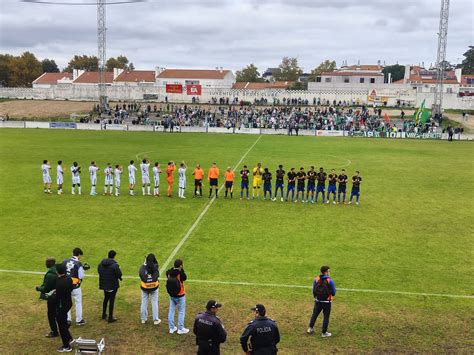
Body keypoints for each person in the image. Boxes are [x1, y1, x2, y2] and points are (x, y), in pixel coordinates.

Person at [307, 265, 336, 337]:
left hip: (318, 301)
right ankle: (324, 332)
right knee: (326, 317)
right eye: (329, 271)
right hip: (327, 302)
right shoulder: (330, 280)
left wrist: (316, 297)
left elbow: (314, 290)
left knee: (314, 315)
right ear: (326, 272)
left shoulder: (316, 279)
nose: (329, 272)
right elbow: (334, 292)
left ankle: (310, 328)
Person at [35, 257, 58, 338]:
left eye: (46, 262)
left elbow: (46, 288)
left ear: (49, 264)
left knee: (51, 315)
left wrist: (38, 288)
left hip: (52, 298)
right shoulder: (58, 270)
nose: (45, 264)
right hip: (59, 296)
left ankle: (54, 331)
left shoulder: (50, 275)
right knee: (58, 314)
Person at [53, 263, 74, 352]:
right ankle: (69, 338)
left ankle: (66, 346)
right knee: (64, 322)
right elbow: (71, 288)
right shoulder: (69, 278)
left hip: (62, 306)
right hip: (68, 303)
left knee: (61, 326)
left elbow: (57, 297)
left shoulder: (59, 282)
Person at [63, 248, 86, 326]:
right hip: (75, 287)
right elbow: (81, 276)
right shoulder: (78, 264)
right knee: (78, 302)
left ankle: (67, 319)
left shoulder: (65, 261)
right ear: (79, 254)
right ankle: (79, 320)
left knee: (67, 302)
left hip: (65, 285)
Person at [98, 250, 122, 323]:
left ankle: (103, 314)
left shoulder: (101, 264)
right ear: (114, 256)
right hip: (112, 285)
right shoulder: (115, 265)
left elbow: (99, 271)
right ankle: (110, 317)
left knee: (106, 298)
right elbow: (119, 274)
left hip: (104, 285)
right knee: (111, 300)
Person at [166, 259, 189, 334]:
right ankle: (180, 328)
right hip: (180, 295)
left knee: (171, 310)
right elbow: (185, 277)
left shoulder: (169, 272)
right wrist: (181, 270)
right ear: (181, 266)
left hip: (172, 295)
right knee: (181, 311)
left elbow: (168, 272)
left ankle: (171, 328)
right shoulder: (180, 273)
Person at [139, 254, 161, 325]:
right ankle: (155, 319)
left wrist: (145, 263)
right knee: (154, 302)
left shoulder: (143, 268)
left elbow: (141, 275)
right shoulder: (155, 267)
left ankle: (143, 319)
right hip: (154, 288)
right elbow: (157, 275)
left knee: (144, 302)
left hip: (144, 288)